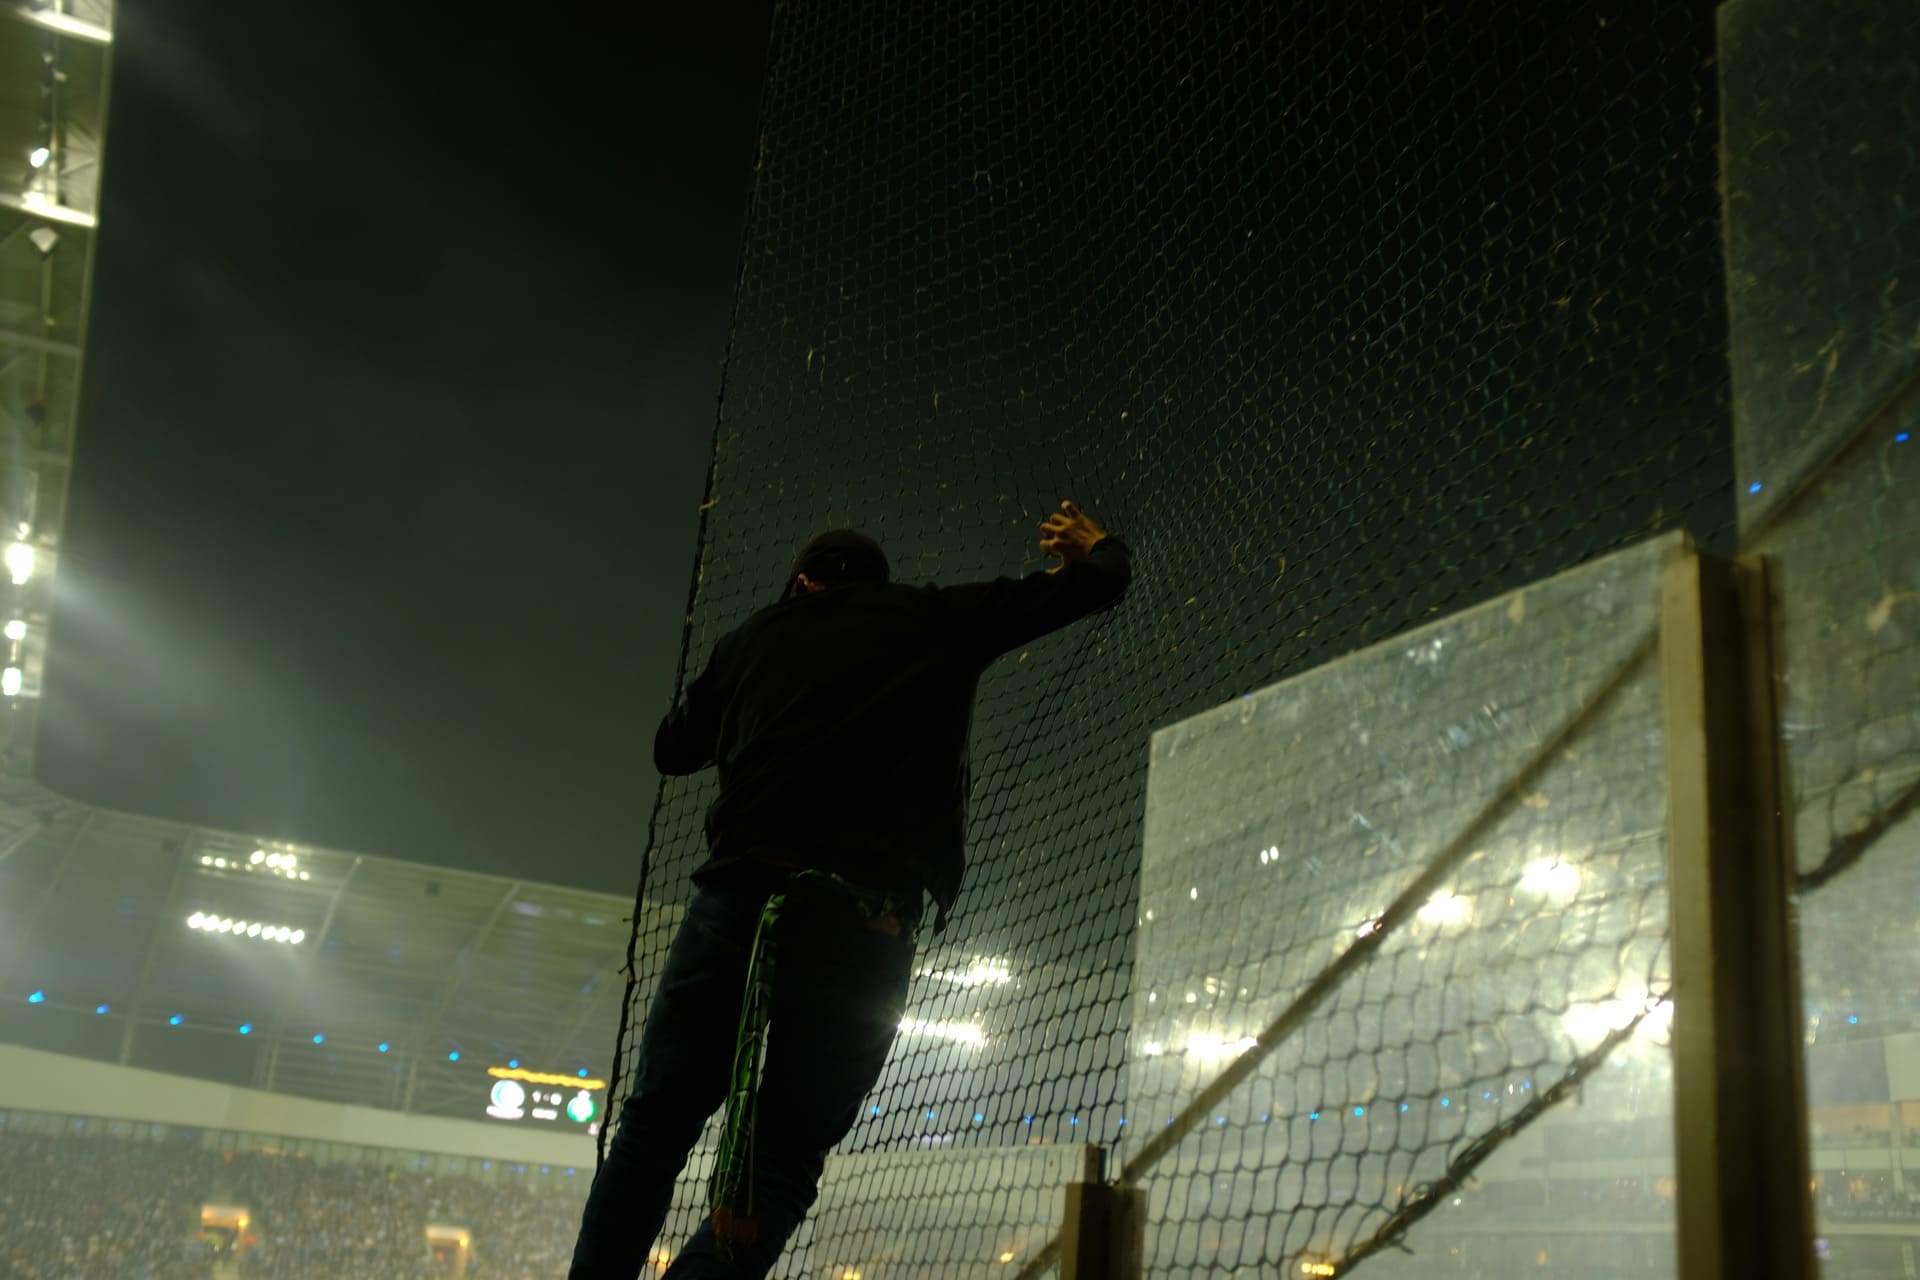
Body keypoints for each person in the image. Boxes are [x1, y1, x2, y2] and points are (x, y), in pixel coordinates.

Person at [568, 500, 1132, 1279]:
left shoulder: (752, 639)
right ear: (877, 582)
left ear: (801, 582)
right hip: (865, 921)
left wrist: (749, 681)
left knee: (653, 1130)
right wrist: (1095, 546)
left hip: (737, 897)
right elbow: (1094, 584)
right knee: (783, 1161)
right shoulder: (931, 617)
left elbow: (673, 748)